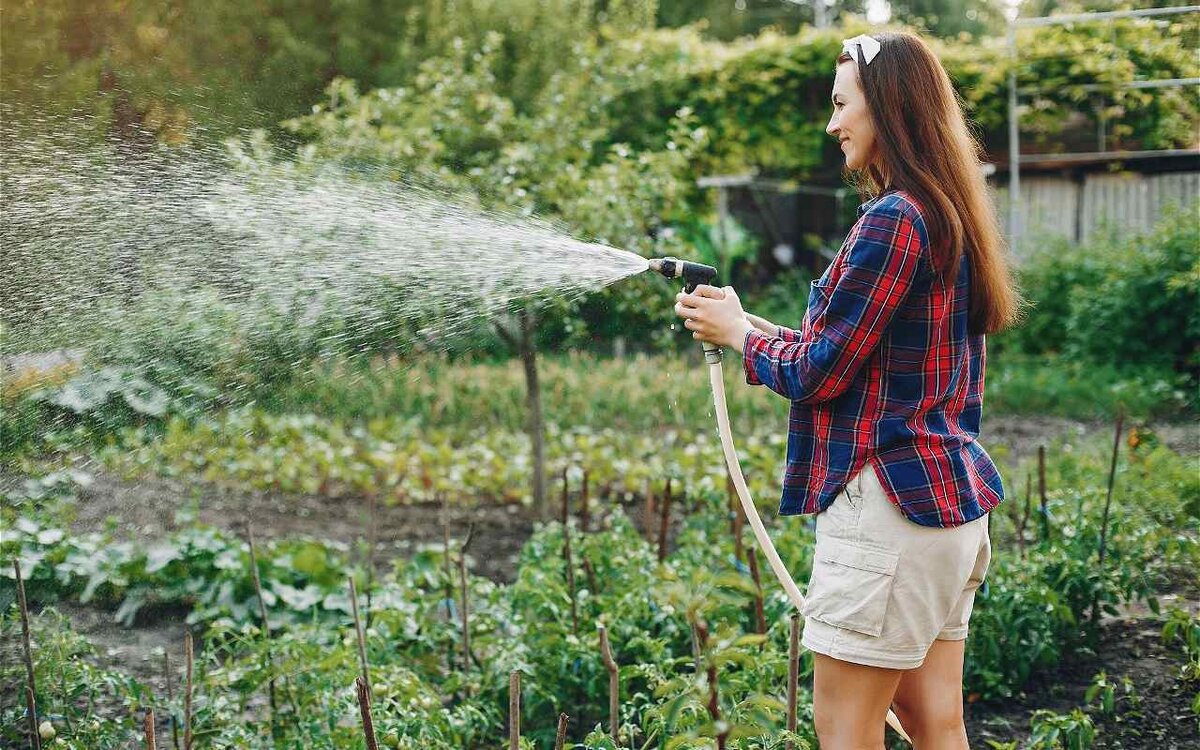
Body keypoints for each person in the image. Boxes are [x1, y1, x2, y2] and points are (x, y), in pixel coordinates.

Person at [674, 31, 1024, 750]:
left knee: (845, 732)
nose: (833, 124)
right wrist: (745, 325)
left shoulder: (893, 220)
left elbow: (816, 374)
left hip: (889, 514)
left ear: (888, 107)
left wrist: (741, 337)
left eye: (842, 105)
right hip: (947, 513)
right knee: (938, 728)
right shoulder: (944, 211)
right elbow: (855, 355)